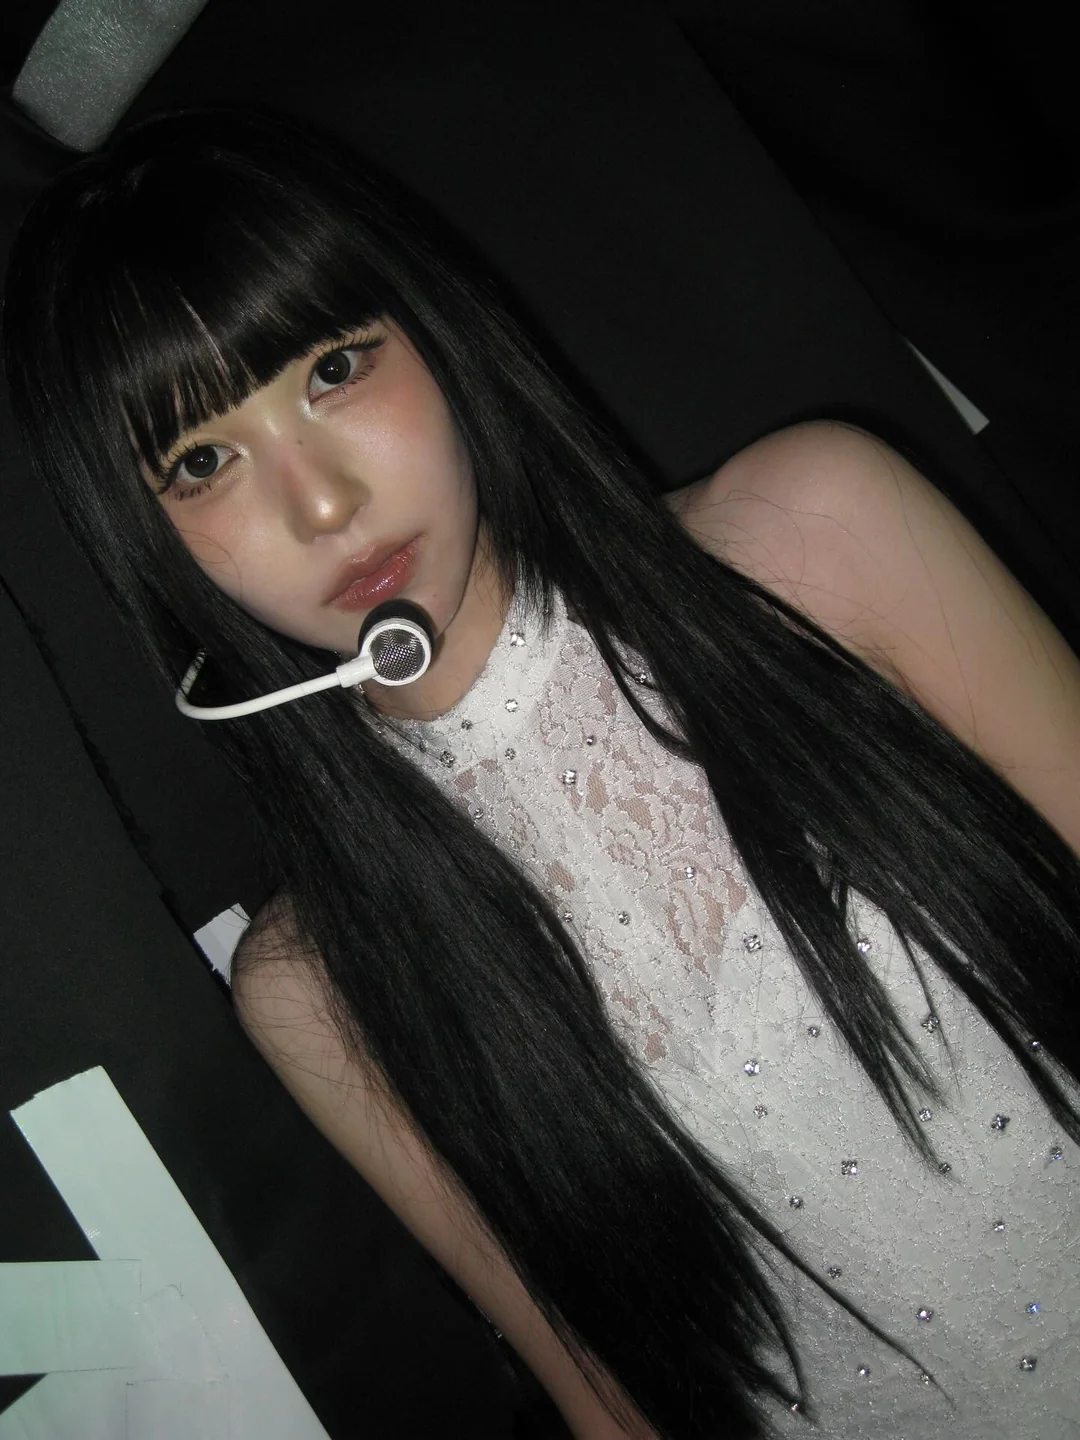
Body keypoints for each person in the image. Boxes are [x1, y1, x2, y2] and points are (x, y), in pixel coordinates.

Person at [3, 106, 1079, 1440]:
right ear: (149, 542)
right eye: (204, 461)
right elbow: (615, 1405)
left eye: (334, 369)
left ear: (435, 331)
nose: (322, 503)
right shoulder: (321, 990)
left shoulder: (818, 534)